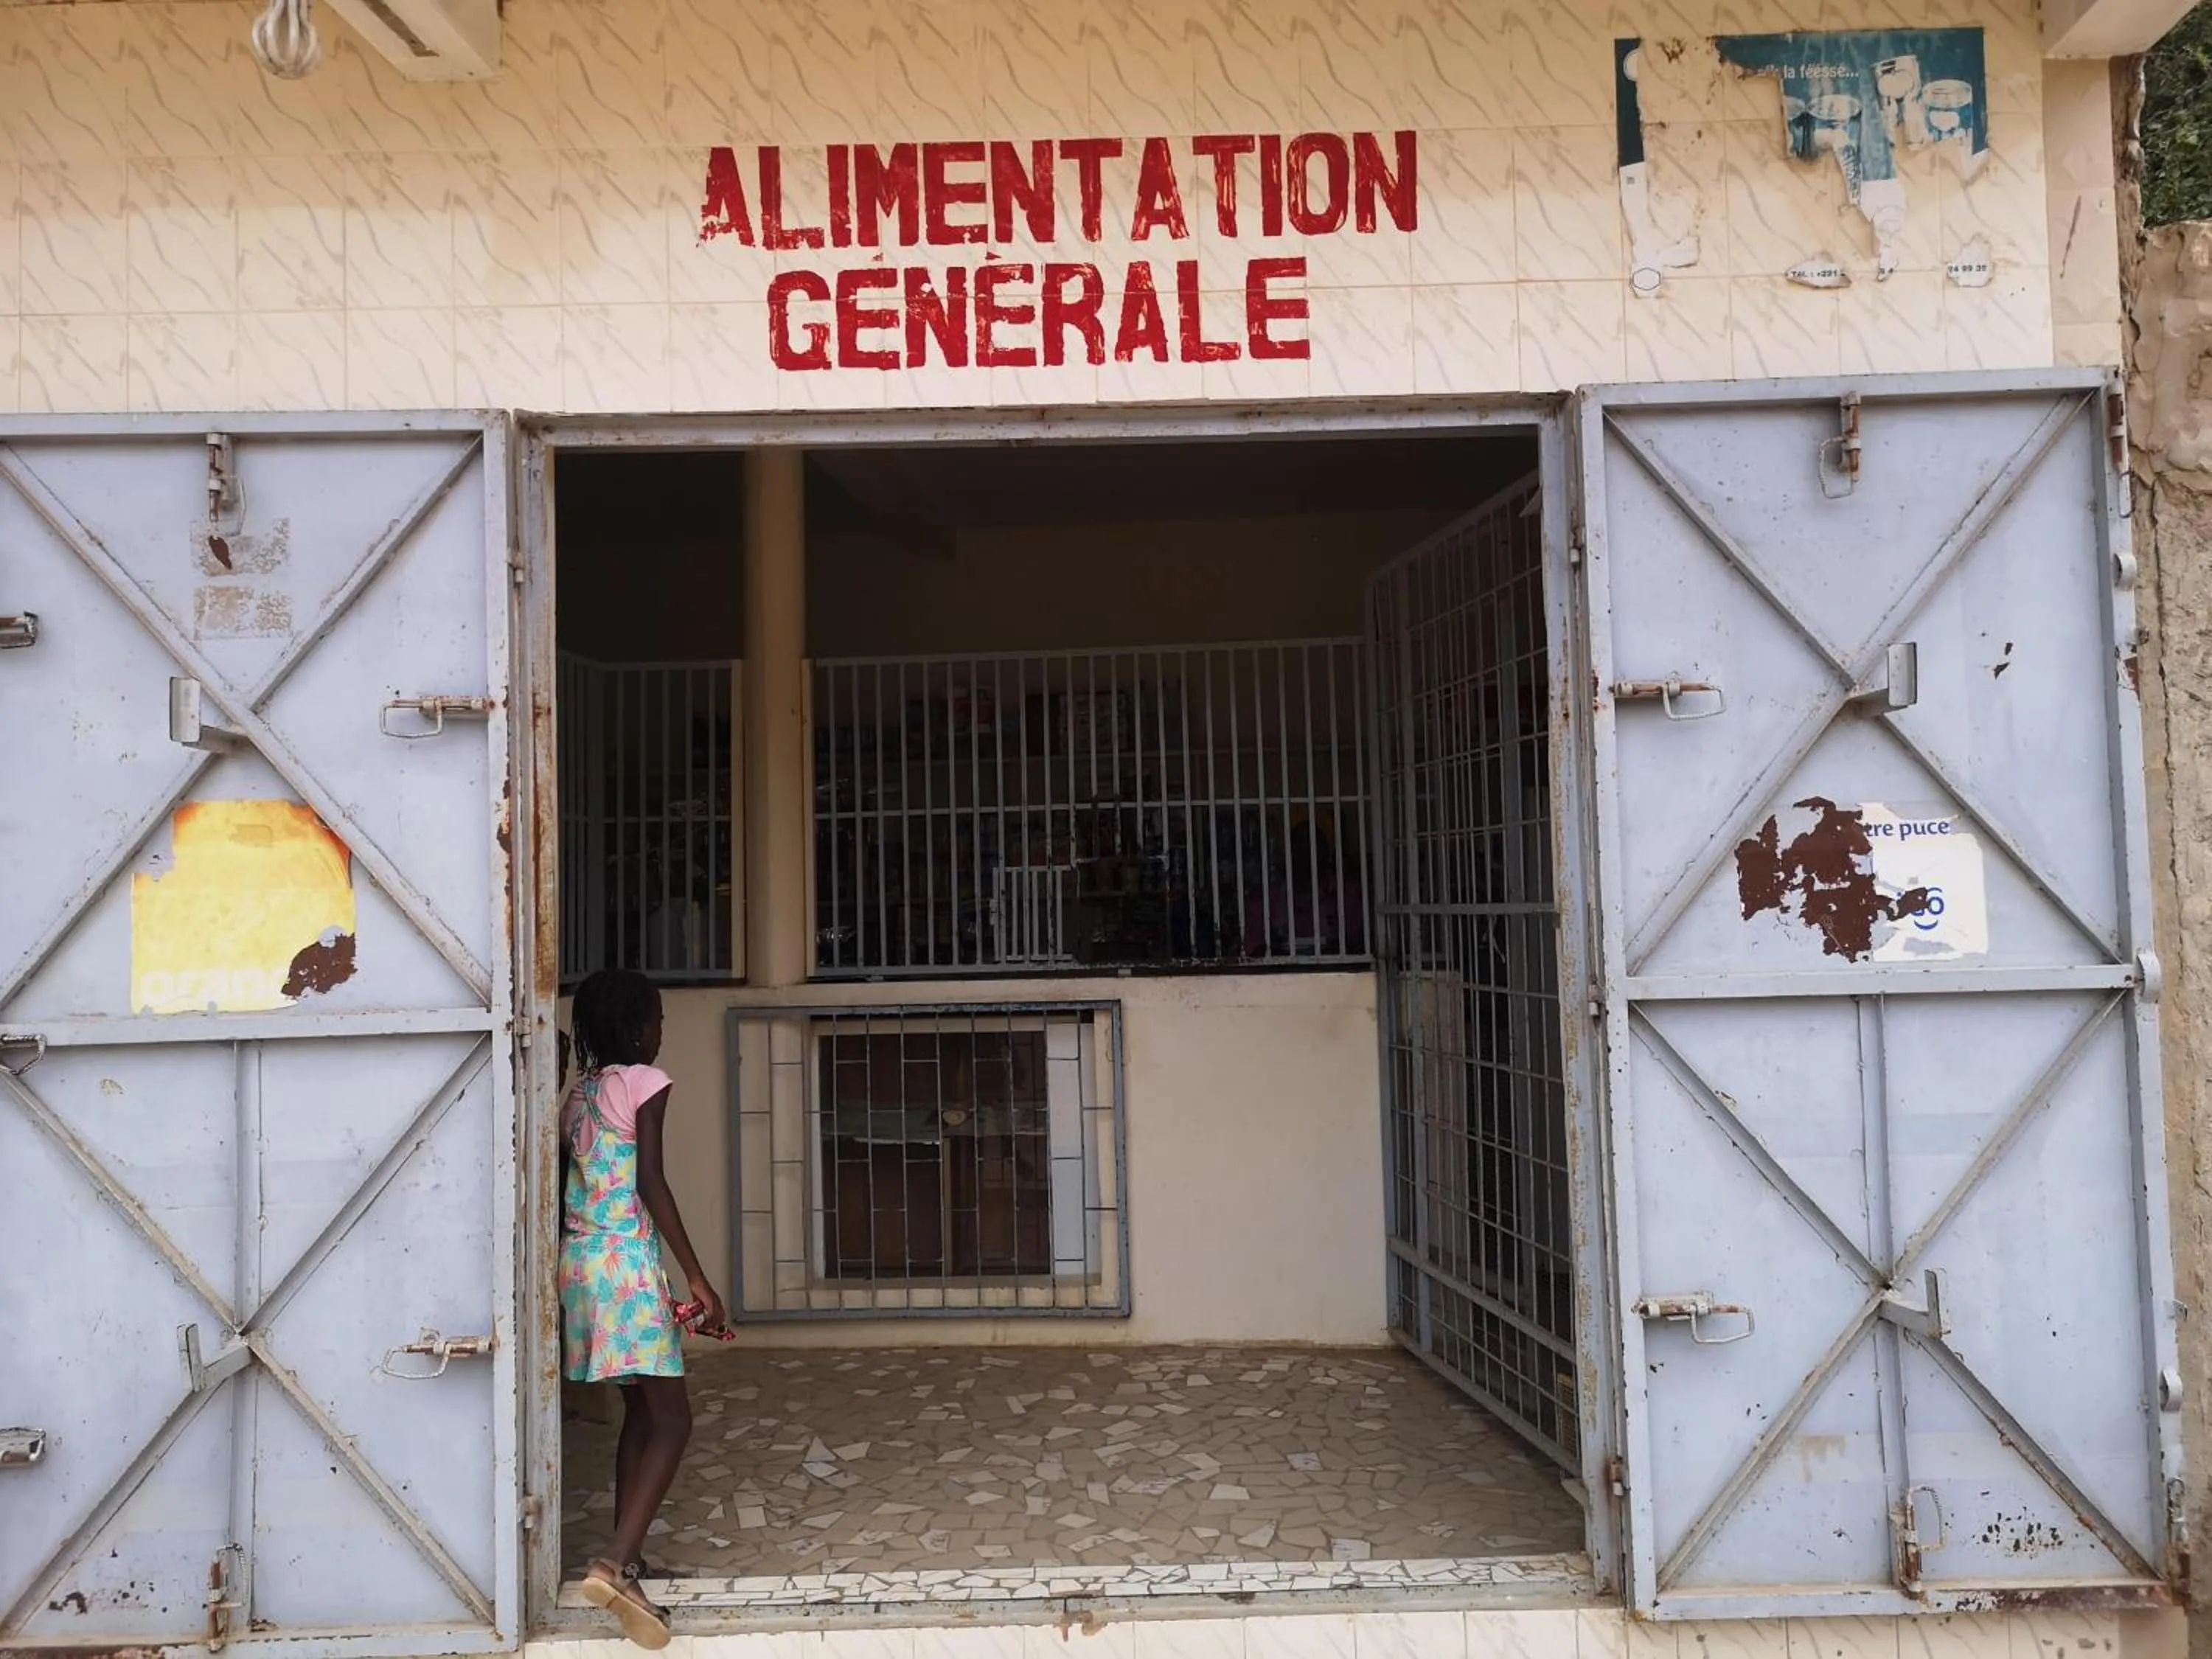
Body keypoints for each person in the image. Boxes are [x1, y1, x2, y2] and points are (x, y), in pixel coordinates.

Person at [560, 970, 725, 1649]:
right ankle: (614, 1567)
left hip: (583, 1267)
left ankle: (628, 1555)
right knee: (674, 1417)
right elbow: (651, 1181)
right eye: (657, 1020)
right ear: (636, 1029)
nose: (663, 1032)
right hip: (628, 1267)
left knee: (641, 1408)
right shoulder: (644, 1084)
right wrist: (697, 1279)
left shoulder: (579, 1097)